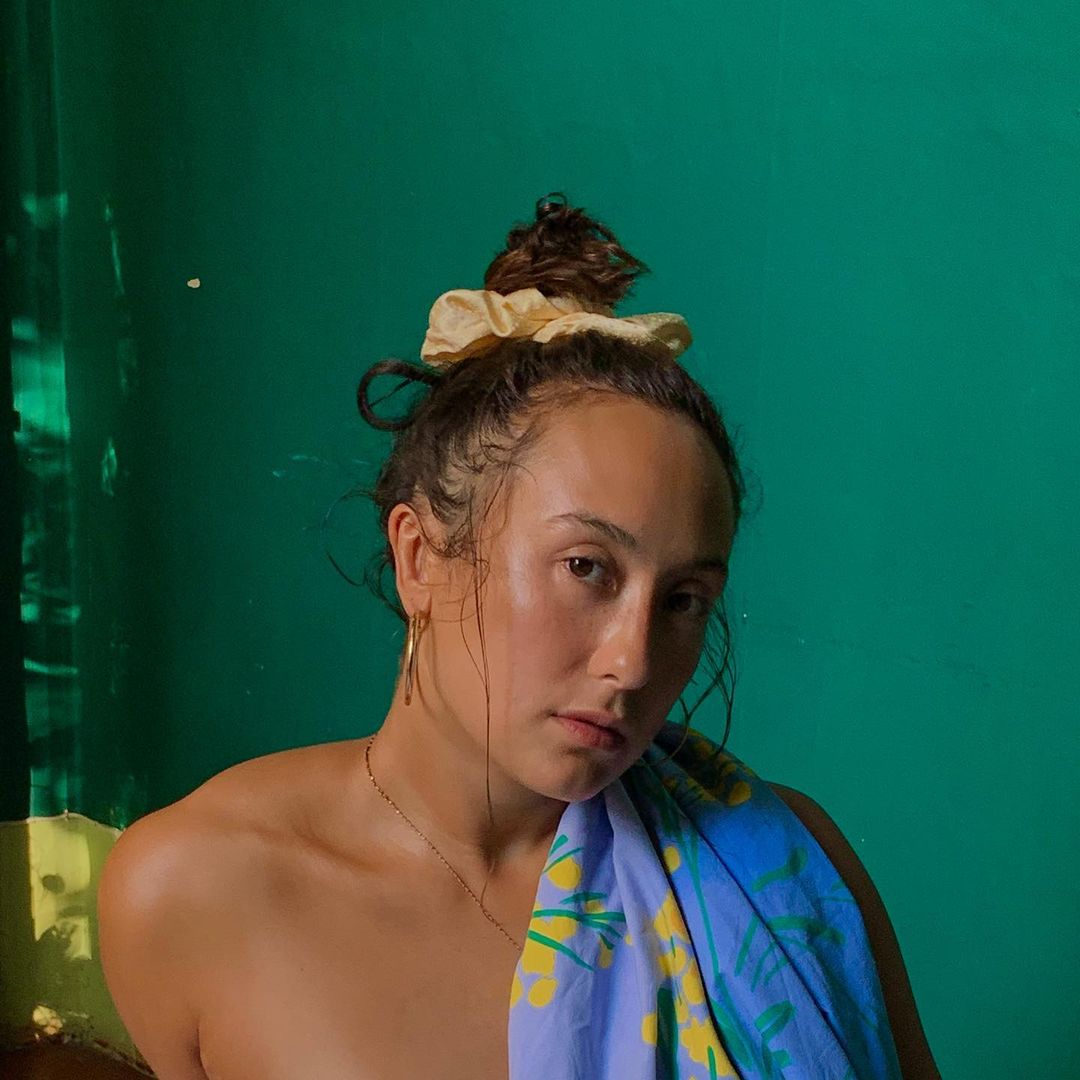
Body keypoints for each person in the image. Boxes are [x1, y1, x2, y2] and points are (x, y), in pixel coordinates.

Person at [97, 195, 940, 1079]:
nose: (633, 663)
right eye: (586, 567)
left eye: (684, 600)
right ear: (420, 558)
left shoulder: (786, 871)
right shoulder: (192, 890)